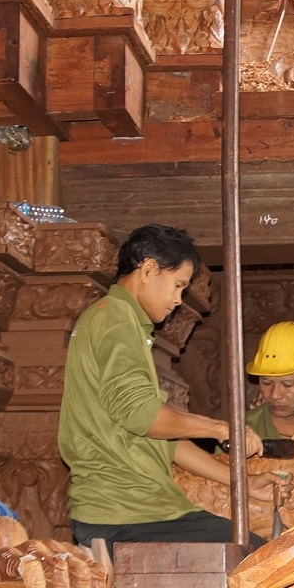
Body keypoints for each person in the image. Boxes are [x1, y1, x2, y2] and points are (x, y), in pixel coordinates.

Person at [59, 224, 265, 548]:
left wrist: (244, 482)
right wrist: (219, 428)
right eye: (177, 285)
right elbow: (143, 416)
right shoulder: (115, 320)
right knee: (258, 557)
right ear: (148, 269)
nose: (178, 300)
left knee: (255, 553)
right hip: (125, 513)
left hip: (138, 511)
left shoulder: (121, 321)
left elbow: (165, 441)